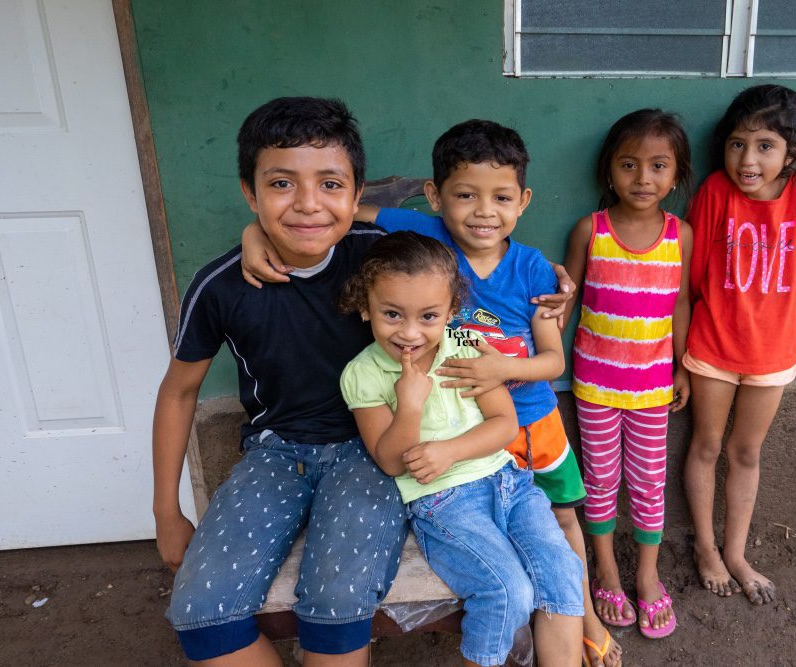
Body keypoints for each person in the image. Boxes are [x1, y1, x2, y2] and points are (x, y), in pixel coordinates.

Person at [242, 119, 619, 666]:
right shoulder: (427, 242)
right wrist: (256, 233)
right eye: (465, 195)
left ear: (523, 201)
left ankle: (585, 618)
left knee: (560, 524)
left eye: (500, 197)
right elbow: (337, 212)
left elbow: (551, 360)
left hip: (527, 419)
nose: (483, 211)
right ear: (436, 197)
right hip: (459, 459)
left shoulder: (531, 268)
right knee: (508, 574)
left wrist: (499, 369)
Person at [152, 96, 408, 666]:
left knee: (338, 601)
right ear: (250, 192)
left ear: (357, 192)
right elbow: (178, 392)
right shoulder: (220, 286)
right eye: (282, 184)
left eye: (330, 184)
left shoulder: (386, 260)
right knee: (201, 611)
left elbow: (471, 244)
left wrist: (549, 289)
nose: (308, 204)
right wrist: (165, 511)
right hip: (275, 453)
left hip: (373, 449)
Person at [339, 231, 584, 667]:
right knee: (507, 589)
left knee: (563, 572)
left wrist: (450, 449)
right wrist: (409, 406)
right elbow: (392, 461)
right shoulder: (364, 374)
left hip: (510, 483)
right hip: (444, 503)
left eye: (429, 316)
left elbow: (505, 423)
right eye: (392, 314)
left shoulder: (467, 348)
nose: (410, 333)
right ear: (365, 307)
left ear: (452, 311)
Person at [683, 84, 796, 606]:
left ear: (793, 152)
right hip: (714, 342)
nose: (748, 159)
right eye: (737, 144)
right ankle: (704, 547)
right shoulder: (716, 191)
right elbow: (694, 275)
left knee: (746, 452)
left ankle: (736, 553)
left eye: (765, 145)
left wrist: (767, 318)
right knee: (706, 445)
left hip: (774, 349)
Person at [563, 109, 694, 640]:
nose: (643, 178)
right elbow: (564, 303)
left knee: (647, 483)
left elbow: (680, 302)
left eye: (658, 166)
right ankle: (607, 570)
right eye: (629, 165)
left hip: (652, 387)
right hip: (594, 384)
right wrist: (540, 364)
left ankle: (646, 573)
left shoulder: (677, 235)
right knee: (599, 481)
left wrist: (682, 365)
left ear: (677, 175)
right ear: (608, 172)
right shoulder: (589, 231)